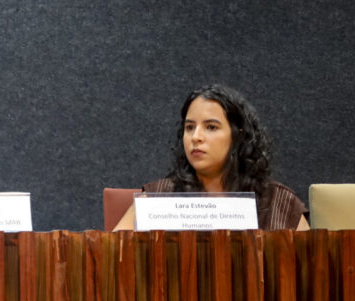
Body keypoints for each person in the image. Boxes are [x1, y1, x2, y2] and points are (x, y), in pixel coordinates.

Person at [115, 84, 308, 231]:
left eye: (211, 127)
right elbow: (112, 256)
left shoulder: (278, 203)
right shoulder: (157, 197)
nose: (196, 137)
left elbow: (311, 272)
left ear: (238, 135)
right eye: (189, 127)